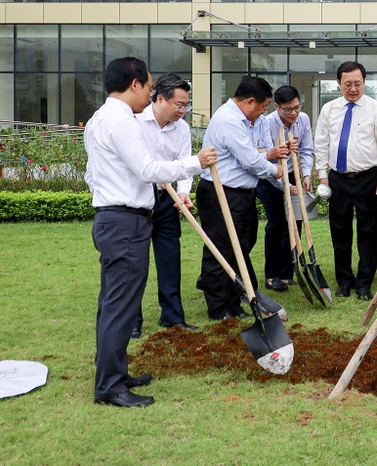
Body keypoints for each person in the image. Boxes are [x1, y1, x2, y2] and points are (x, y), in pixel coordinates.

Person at [85, 57, 216, 408]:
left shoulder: (99, 119)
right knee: (120, 305)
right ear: (135, 85)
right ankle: (110, 386)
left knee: (113, 303)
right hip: (125, 221)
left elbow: (91, 174)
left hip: (114, 218)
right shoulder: (122, 121)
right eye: (148, 85)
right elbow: (148, 169)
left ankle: (113, 371)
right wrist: (195, 163)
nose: (149, 93)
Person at [198, 76, 289, 320]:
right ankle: (218, 308)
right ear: (250, 101)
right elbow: (250, 159)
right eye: (263, 106)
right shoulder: (228, 120)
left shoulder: (251, 120)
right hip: (221, 193)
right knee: (222, 249)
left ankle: (233, 301)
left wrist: (272, 167)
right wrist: (274, 170)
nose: (265, 111)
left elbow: (259, 150)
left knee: (243, 246)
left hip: (243, 194)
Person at [133, 73, 200, 341]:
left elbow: (185, 165)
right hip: (138, 200)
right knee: (136, 264)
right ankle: (132, 322)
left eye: (187, 105)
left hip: (167, 202)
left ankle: (172, 317)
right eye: (179, 105)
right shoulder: (135, 123)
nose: (183, 111)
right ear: (160, 98)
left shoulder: (181, 128)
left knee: (170, 260)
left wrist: (183, 194)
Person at [315, 61, 377, 300]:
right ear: (338, 84)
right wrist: (323, 177)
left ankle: (364, 283)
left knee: (368, 232)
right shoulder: (329, 109)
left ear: (364, 82)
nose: (353, 89)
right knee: (340, 232)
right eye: (348, 84)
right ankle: (344, 282)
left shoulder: (376, 109)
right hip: (338, 179)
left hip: (368, 178)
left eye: (358, 84)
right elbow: (321, 143)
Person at [258, 85, 314, 292]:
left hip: (292, 173)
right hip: (269, 175)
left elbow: (307, 150)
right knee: (277, 224)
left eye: (297, 108)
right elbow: (264, 160)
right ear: (276, 107)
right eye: (287, 109)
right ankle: (272, 274)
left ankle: (288, 272)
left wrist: (306, 174)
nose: (293, 113)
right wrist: (284, 185)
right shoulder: (266, 123)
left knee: (295, 222)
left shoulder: (304, 119)